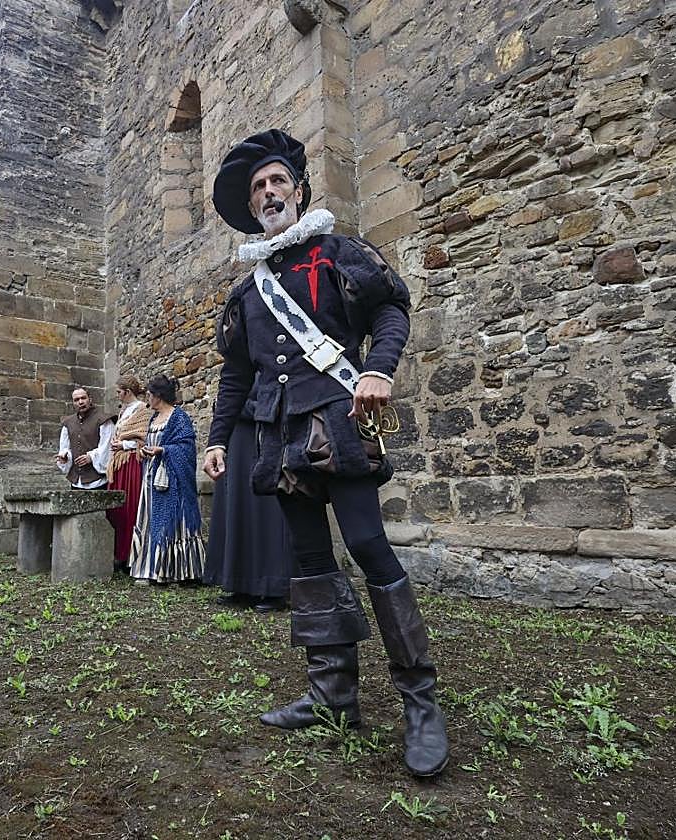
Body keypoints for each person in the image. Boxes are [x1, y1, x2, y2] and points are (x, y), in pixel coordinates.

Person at [202, 128, 448, 777]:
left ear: (299, 190)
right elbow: (235, 375)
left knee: (368, 546)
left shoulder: (339, 252)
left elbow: (393, 308)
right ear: (253, 207)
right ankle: (333, 695)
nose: (268, 192)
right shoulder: (248, 291)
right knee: (310, 561)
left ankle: (420, 700)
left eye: (277, 181)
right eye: (259, 188)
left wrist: (380, 371)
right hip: (279, 437)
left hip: (340, 421)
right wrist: (218, 440)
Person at [202, 381, 295, 612]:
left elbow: (279, 405)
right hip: (237, 448)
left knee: (267, 515)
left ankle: (274, 587)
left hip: (264, 446)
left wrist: (238, 407)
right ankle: (241, 584)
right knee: (238, 512)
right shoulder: (240, 368)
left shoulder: (272, 363)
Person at [128, 375, 205, 584]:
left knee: (174, 522)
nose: (147, 401)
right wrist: (144, 452)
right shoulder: (153, 419)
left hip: (173, 480)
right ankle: (149, 569)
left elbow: (187, 448)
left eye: (150, 396)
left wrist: (163, 450)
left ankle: (179, 571)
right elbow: (152, 442)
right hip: (151, 479)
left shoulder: (178, 417)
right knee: (150, 521)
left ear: (158, 396)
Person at [105, 375, 149, 574]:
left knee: (130, 507)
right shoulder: (123, 411)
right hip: (118, 464)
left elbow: (145, 438)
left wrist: (124, 444)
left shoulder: (142, 409)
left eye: (118, 392)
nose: (117, 395)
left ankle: (130, 556)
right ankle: (117, 554)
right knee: (117, 511)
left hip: (132, 463)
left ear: (127, 391)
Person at [55, 387, 115, 489]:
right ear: (73, 403)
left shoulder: (103, 420)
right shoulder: (68, 423)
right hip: (76, 481)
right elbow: (65, 448)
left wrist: (91, 457)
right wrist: (65, 457)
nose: (80, 402)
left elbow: (107, 447)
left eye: (83, 398)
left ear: (90, 399)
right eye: (76, 400)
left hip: (97, 481)